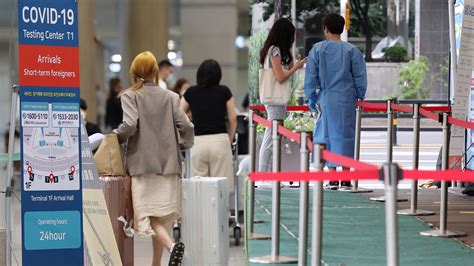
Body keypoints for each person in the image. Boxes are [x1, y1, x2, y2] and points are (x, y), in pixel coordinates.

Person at [113, 51, 194, 266]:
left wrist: (114, 138)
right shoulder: (171, 97)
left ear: (134, 72)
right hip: (170, 164)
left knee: (148, 215)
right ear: (155, 71)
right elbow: (186, 126)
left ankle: (172, 246)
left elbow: (129, 125)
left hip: (142, 164)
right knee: (162, 217)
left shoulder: (130, 95)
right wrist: (186, 143)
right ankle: (156, 264)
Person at [304, 13, 367, 189]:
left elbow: (311, 78)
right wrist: (360, 94)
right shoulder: (351, 50)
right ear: (343, 28)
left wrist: (311, 97)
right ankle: (346, 178)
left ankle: (332, 178)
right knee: (345, 136)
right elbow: (360, 76)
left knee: (327, 136)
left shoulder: (317, 49)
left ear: (325, 29)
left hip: (326, 99)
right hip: (347, 99)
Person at [180, 59, 237, 192]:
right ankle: (222, 213)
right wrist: (229, 138)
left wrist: (186, 132)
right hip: (220, 141)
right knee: (221, 189)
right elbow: (233, 118)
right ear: (219, 75)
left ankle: (200, 213)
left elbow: (178, 114)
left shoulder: (191, 92)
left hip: (198, 142)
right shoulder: (224, 91)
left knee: (199, 189)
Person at [258, 18, 306, 172]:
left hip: (277, 100)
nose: (292, 39)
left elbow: (288, 69)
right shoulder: (275, 50)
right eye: (291, 35)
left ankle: (269, 173)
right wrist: (297, 66)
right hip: (275, 100)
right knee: (271, 137)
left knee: (274, 137)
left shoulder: (277, 50)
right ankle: (264, 173)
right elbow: (280, 77)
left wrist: (293, 60)